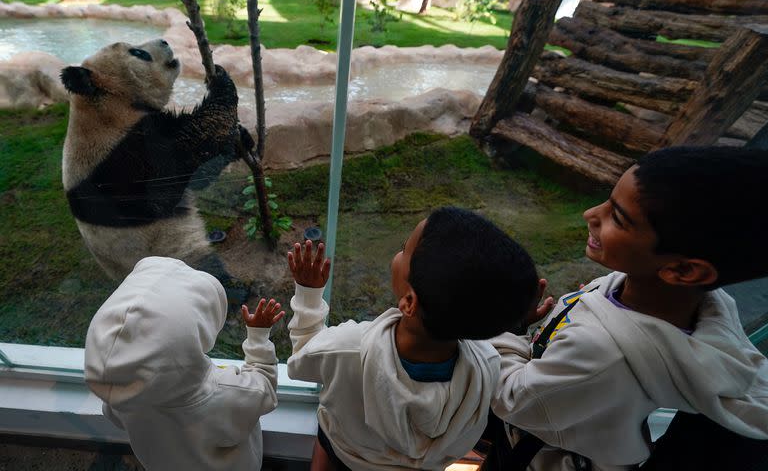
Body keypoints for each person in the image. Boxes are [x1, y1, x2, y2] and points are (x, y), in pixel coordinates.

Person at [489, 146, 768, 470]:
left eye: (618, 218)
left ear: (683, 271)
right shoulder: (692, 300)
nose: (591, 214)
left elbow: (513, 399)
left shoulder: (602, 354)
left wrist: (504, 327)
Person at [285, 206, 546, 470]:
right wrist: (516, 329)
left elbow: (302, 359)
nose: (397, 254)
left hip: (344, 453)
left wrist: (308, 295)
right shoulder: (487, 366)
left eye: (403, 249)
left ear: (409, 302)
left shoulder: (347, 349)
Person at [84, 256, 284, 470]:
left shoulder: (122, 389)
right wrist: (258, 337)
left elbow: (114, 416)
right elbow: (264, 389)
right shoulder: (223, 392)